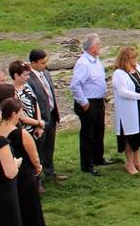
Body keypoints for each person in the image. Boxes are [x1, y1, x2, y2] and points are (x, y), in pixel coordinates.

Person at [3, 99, 51, 226]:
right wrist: (38, 167)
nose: (22, 115)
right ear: (14, 114)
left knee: (16, 216)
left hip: (10, 179)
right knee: (31, 215)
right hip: (25, 176)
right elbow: (34, 156)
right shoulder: (20, 133)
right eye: (20, 112)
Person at [70, 33, 109, 176]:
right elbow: (75, 85)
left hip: (98, 100)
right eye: (98, 44)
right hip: (89, 102)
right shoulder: (83, 63)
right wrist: (84, 102)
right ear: (92, 47)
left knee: (99, 130)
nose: (100, 47)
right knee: (88, 134)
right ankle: (87, 164)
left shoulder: (96, 60)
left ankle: (98, 158)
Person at [112, 46, 140, 176]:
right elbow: (123, 92)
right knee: (129, 136)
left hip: (139, 106)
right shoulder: (119, 73)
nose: (135, 59)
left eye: (136, 57)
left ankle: (137, 160)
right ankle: (129, 163)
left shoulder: (137, 68)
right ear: (125, 59)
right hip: (127, 109)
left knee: (138, 134)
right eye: (133, 58)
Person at [28, 49, 65, 183]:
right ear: (33, 63)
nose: (45, 65)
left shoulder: (46, 74)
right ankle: (38, 178)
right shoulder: (29, 79)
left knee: (50, 145)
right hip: (40, 118)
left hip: (51, 114)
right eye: (42, 63)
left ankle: (50, 171)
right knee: (39, 147)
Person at [10, 62, 44, 142]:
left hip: (36, 126)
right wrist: (38, 123)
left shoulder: (26, 86)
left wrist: (39, 124)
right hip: (25, 130)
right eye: (25, 75)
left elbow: (35, 103)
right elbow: (21, 116)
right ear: (16, 76)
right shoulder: (12, 92)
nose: (28, 77)